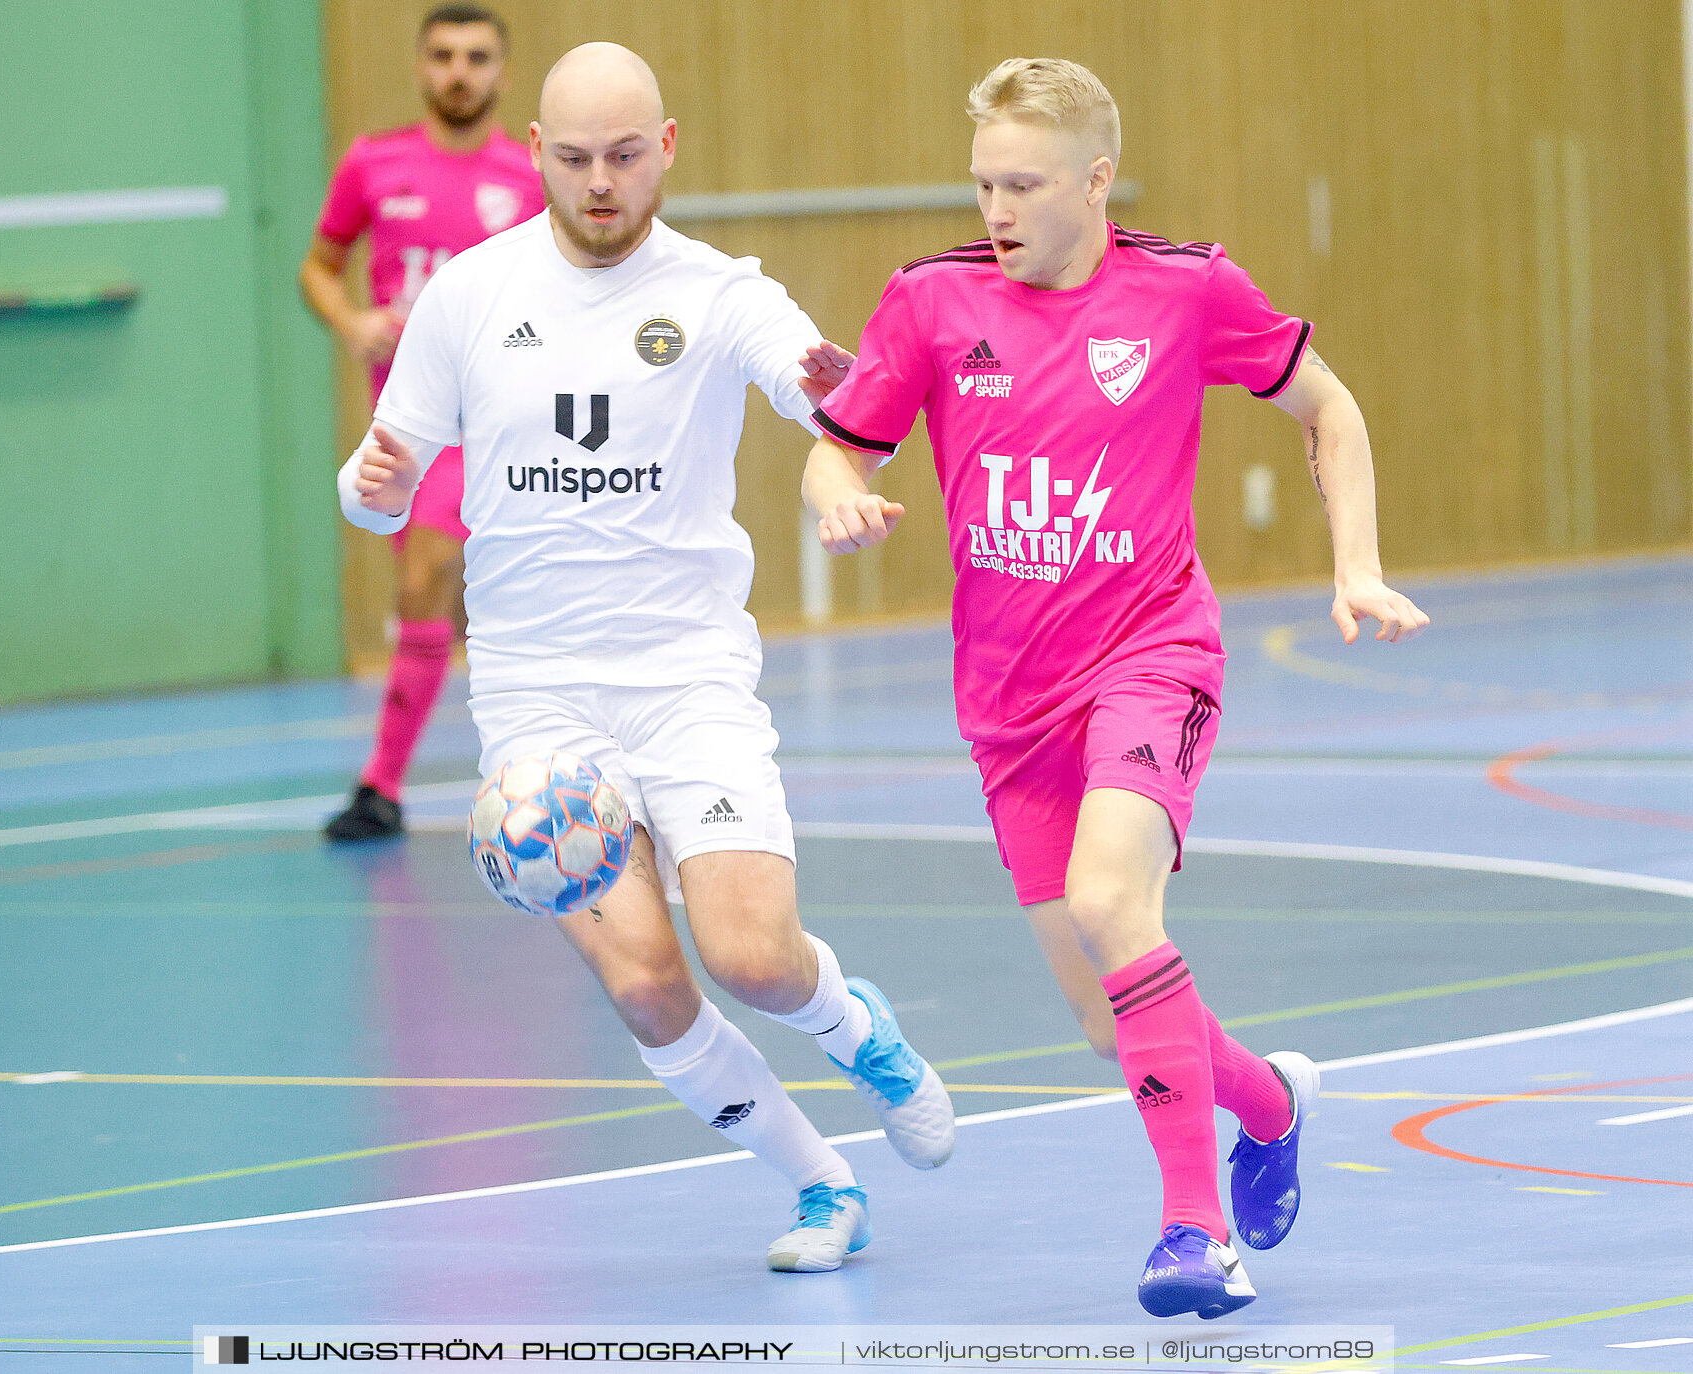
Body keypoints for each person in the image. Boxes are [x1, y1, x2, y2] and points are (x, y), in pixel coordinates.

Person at [802, 57, 1429, 1317]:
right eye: (983, 182)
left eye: (1024, 183)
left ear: (1096, 180)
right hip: (1007, 704)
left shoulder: (1188, 290)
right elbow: (840, 444)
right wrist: (837, 501)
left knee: (1111, 899)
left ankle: (1196, 1233)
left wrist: (1355, 563)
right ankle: (1273, 1103)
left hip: (1151, 657)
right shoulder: (930, 303)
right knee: (1107, 1021)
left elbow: (1330, 406)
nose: (997, 207)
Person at [336, 41, 954, 1273]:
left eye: (625, 155)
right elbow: (375, 494)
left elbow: (821, 385)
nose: (601, 183)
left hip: (685, 675)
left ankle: (859, 1030)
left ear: (666, 147)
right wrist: (372, 486)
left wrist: (840, 419)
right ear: (537, 157)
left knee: (752, 959)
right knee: (650, 986)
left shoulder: (722, 292)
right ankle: (823, 1186)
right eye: (574, 159)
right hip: (536, 697)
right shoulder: (466, 296)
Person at [302, 3, 546, 842]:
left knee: (434, 581)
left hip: (500, 423)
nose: (459, 72)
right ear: (420, 66)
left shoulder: (527, 178)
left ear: (502, 74)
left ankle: (382, 786)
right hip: (408, 422)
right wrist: (351, 323)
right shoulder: (374, 163)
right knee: (462, 604)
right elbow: (320, 266)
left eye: (477, 58)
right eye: (443, 55)